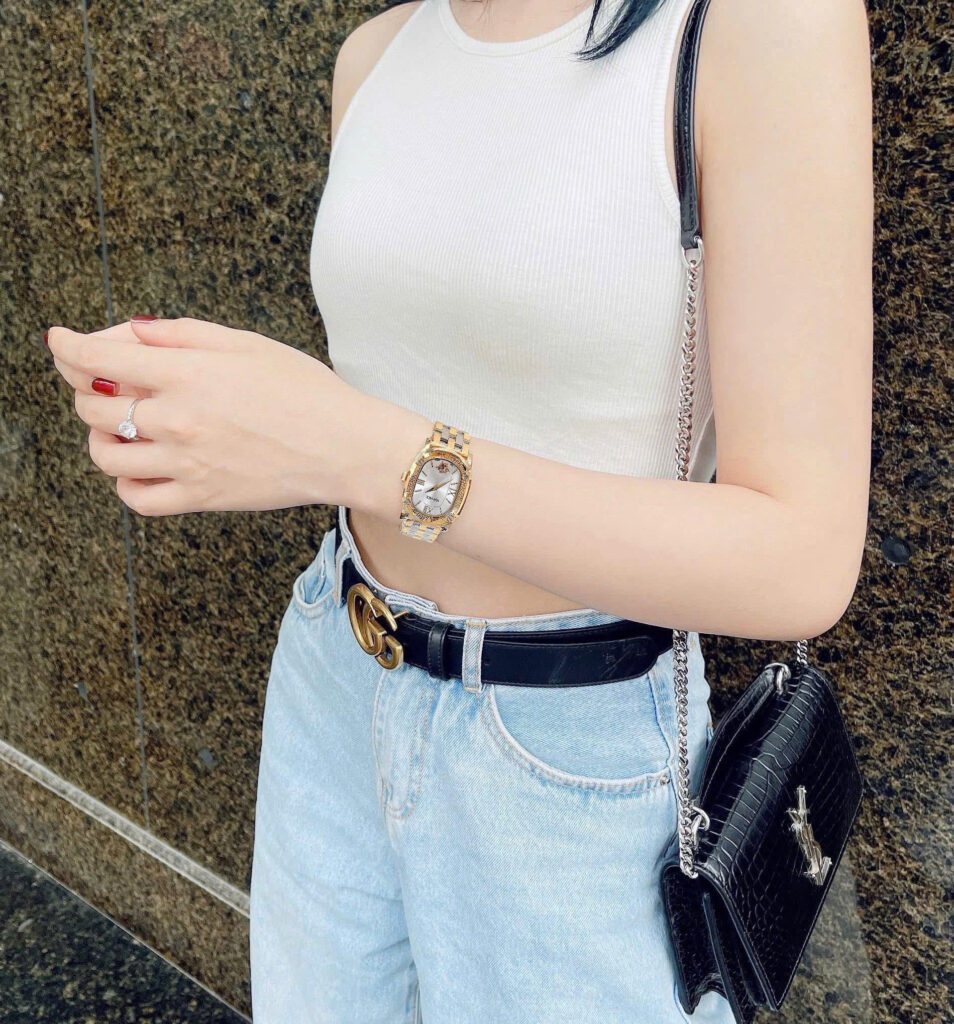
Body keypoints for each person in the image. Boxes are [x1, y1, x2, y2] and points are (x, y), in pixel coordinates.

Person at [44, 0, 873, 1019]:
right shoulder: (378, 52)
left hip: (571, 743)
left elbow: (800, 555)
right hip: (336, 671)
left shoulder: (759, 26)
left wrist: (349, 446)